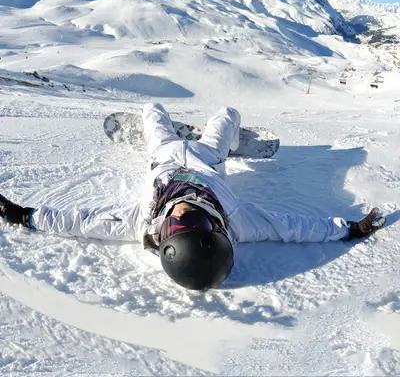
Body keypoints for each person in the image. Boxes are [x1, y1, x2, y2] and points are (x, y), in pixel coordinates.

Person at [0, 103, 386, 291]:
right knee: (227, 112)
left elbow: (81, 221)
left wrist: (23, 215)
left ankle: (167, 129)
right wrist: (351, 228)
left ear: (165, 233)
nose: (183, 211)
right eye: (195, 220)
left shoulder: (139, 222)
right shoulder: (239, 220)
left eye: (177, 223)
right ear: (215, 226)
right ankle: (230, 140)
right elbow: (294, 227)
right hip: (208, 158)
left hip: (164, 156)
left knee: (152, 109)